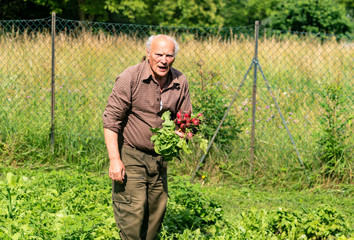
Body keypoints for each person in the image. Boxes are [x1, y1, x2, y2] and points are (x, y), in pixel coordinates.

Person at [102, 34, 192, 240]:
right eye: (159, 54)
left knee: (155, 213)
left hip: (160, 159)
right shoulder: (130, 77)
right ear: (148, 54)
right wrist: (115, 160)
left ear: (174, 58)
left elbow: (185, 120)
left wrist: (184, 133)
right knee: (132, 213)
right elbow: (111, 120)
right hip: (132, 153)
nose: (164, 60)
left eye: (169, 55)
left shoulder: (180, 81)